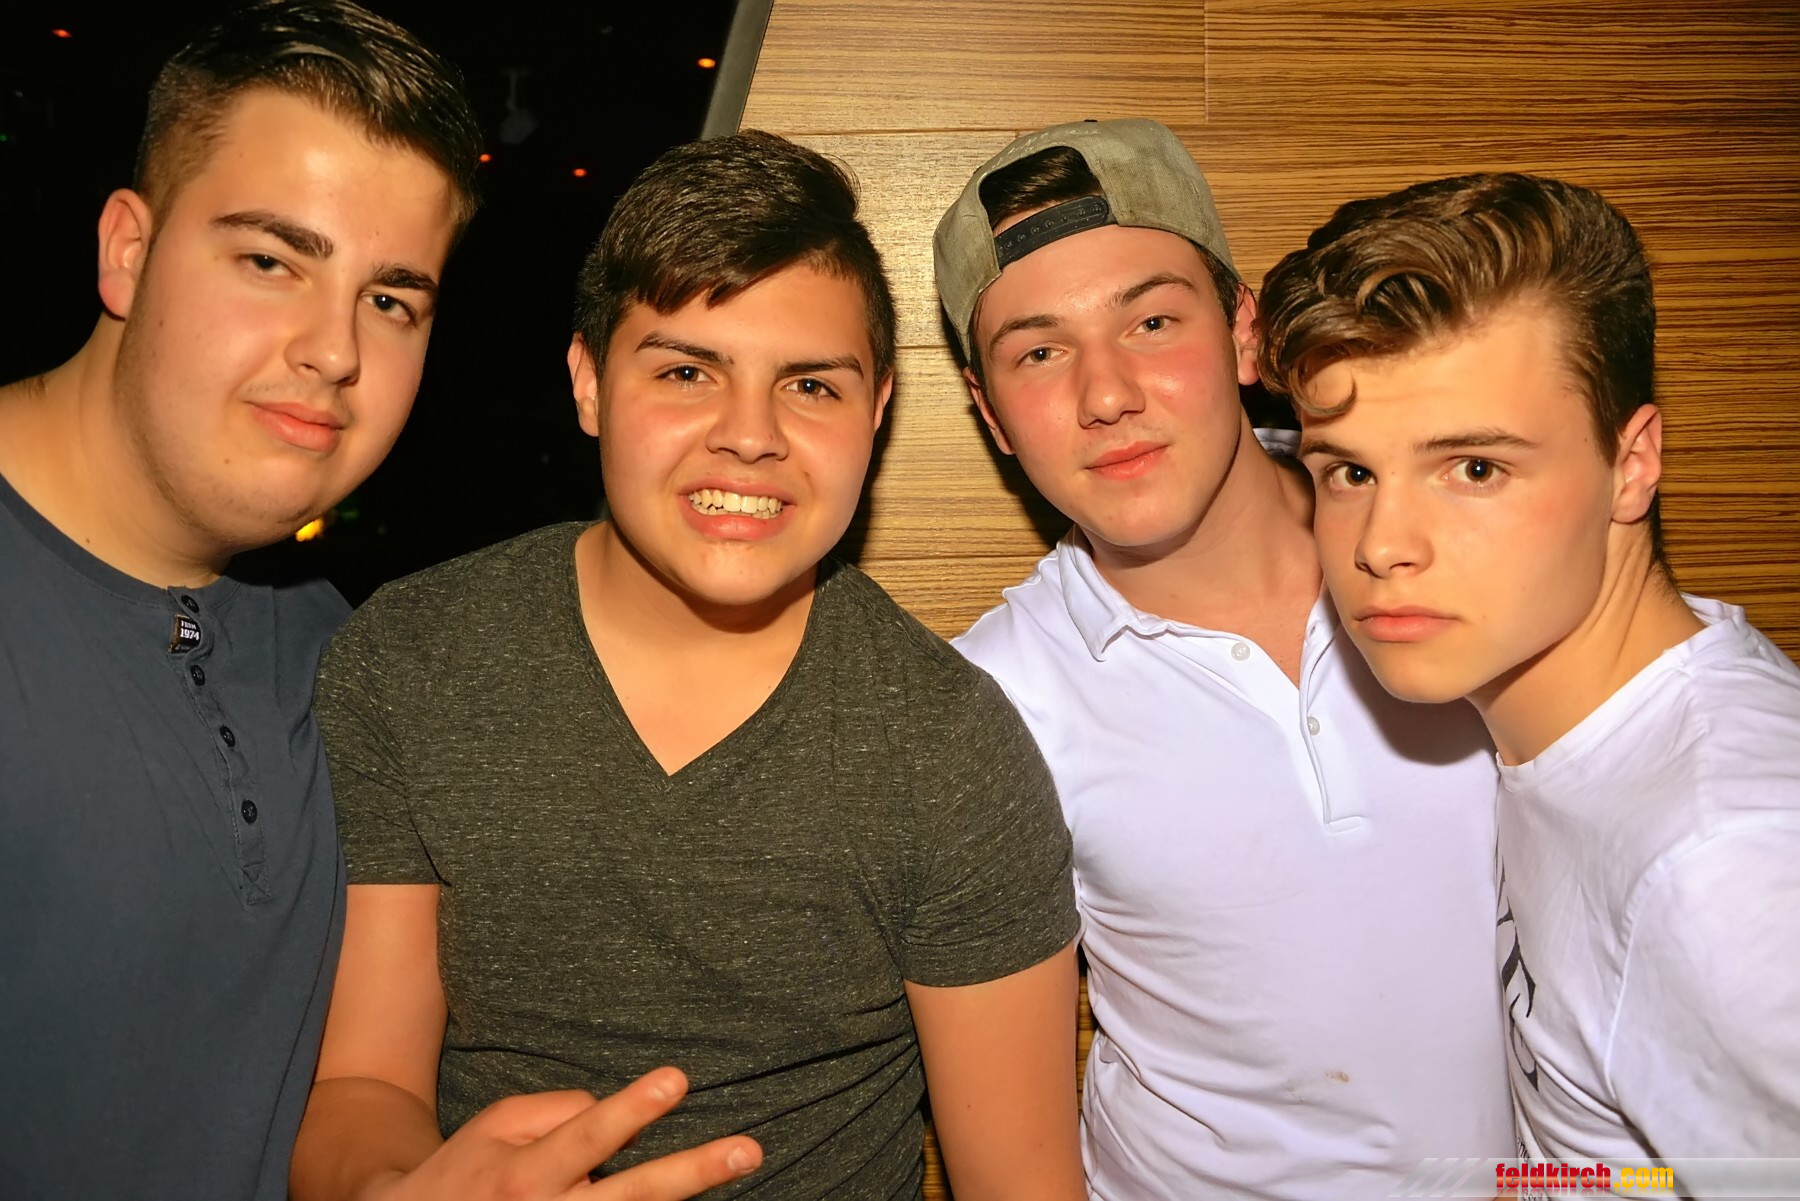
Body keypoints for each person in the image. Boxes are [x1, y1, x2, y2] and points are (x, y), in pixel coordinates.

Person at [0, 3, 769, 1199]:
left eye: (391, 300)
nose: (334, 350)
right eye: (272, 261)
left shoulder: (340, 646)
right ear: (128, 251)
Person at [292, 129, 1085, 1201]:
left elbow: (1022, 1183)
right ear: (588, 384)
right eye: (684, 372)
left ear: (878, 410)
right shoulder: (412, 658)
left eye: (811, 386)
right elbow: (361, 1083)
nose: (749, 435)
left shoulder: (948, 747)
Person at [934, 119, 1513, 1199]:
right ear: (990, 413)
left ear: (1245, 333)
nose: (1107, 394)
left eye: (1152, 321)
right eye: (1040, 352)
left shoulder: (1457, 543)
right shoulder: (988, 701)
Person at [1259, 172, 1800, 1176]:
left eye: (1475, 468)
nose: (1382, 544)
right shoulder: (1581, 741)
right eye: (1351, 472)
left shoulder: (1727, 866)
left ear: (1631, 463)